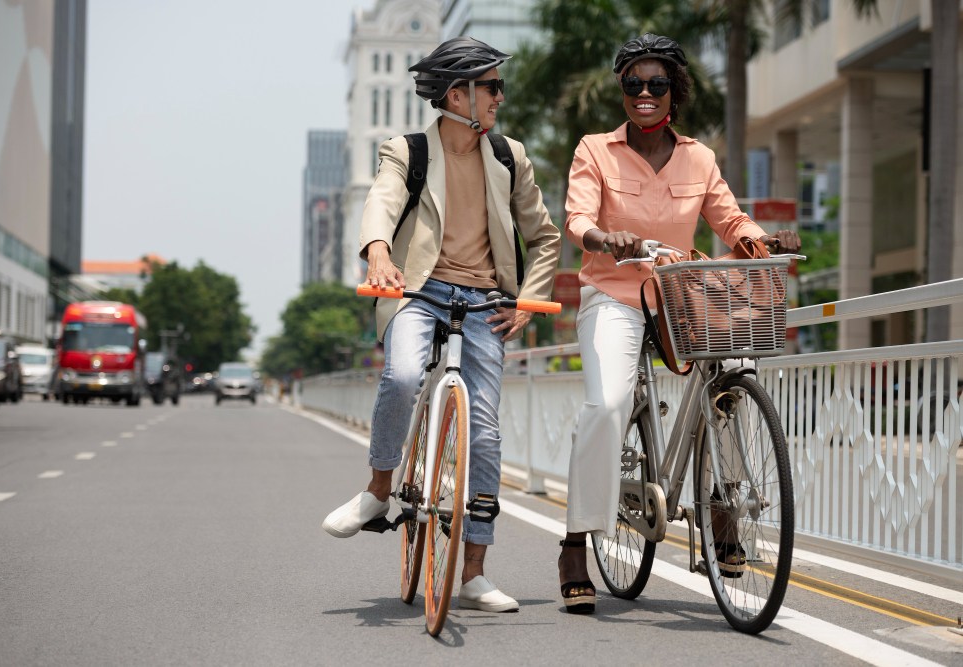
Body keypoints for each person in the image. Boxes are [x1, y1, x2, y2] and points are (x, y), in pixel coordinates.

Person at [559, 33, 801, 615]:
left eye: (657, 83)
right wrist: (601, 237)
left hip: (682, 297)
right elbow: (577, 217)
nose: (645, 93)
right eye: (633, 84)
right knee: (608, 403)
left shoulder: (699, 157)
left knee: (732, 377)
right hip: (615, 295)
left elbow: (728, 216)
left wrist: (760, 241)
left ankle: (724, 516)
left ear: (675, 91)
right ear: (622, 90)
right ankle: (573, 543)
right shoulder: (595, 149)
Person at [322, 36, 561, 613]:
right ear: (459, 95)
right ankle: (380, 490)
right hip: (416, 291)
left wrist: (526, 303)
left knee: (484, 431)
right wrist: (378, 251)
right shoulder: (407, 150)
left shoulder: (510, 157)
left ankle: (474, 572)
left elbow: (545, 237)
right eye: (493, 86)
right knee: (403, 376)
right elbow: (380, 200)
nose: (501, 97)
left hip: (485, 302)